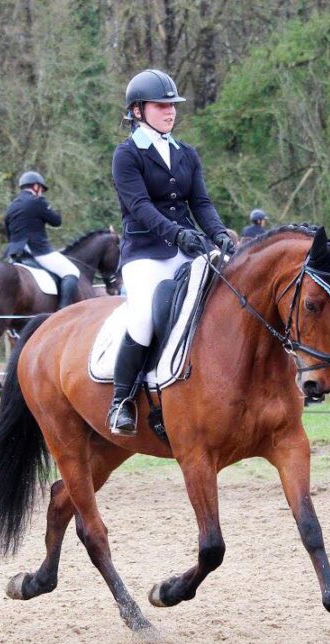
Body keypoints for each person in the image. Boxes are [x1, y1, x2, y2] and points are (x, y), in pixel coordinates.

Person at [108, 68, 235, 435]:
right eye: (161, 105)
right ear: (137, 111)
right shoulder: (127, 155)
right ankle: (122, 402)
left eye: (173, 105)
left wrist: (218, 234)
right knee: (146, 317)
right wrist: (180, 235)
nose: (170, 111)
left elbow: (202, 202)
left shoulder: (185, 153)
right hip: (145, 253)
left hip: (189, 247)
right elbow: (140, 207)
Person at [3, 170, 80, 309]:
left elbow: (8, 232)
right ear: (36, 187)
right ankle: (63, 310)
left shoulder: (11, 207)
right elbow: (56, 221)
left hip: (14, 253)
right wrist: (57, 211)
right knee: (72, 272)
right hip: (38, 250)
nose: (41, 192)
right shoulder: (37, 201)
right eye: (41, 189)